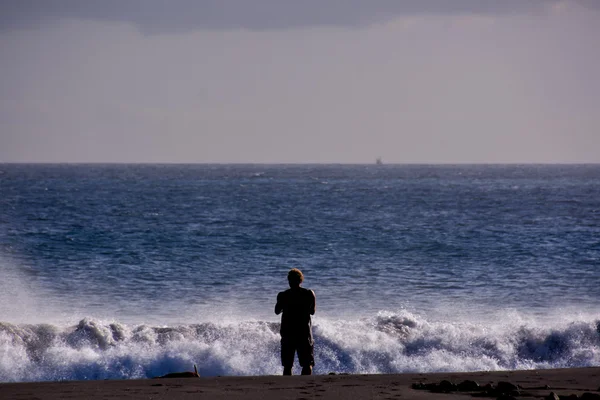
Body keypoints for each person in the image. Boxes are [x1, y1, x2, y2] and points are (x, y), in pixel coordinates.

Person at [275, 268, 316, 375]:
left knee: (287, 365)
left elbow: (277, 311)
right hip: (304, 332)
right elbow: (312, 312)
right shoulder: (308, 293)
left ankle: (288, 388)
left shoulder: (283, 295)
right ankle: (306, 386)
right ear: (300, 280)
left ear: (289, 280)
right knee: (307, 364)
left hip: (288, 332)